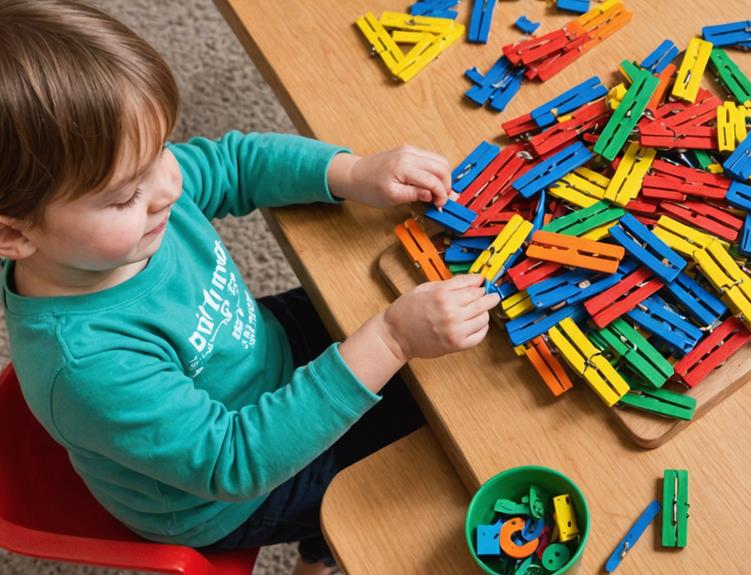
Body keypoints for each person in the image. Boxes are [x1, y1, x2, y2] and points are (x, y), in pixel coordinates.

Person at [0, 1, 499, 573]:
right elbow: (235, 461)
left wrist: (352, 173)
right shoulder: (89, 366)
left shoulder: (135, 187)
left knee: (399, 321)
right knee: (438, 438)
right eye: (124, 197)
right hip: (228, 494)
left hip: (255, 354)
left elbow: (234, 164)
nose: (167, 188)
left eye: (161, 151)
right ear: (14, 234)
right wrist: (390, 340)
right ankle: (322, 548)